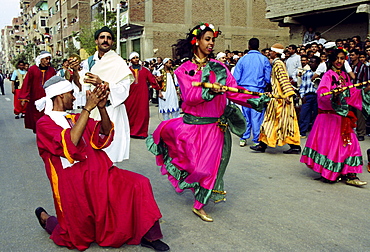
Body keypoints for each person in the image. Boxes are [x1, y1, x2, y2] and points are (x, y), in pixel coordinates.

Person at [34, 76, 169, 251]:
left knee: (139, 183)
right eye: (71, 94)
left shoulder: (75, 117)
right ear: (60, 96)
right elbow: (71, 142)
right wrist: (87, 108)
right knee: (75, 235)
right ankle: (47, 220)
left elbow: (103, 133)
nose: (74, 98)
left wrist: (102, 108)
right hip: (73, 182)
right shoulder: (44, 123)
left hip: (101, 171)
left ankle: (150, 236)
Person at [146, 23, 260, 222]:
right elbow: (190, 96)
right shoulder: (184, 70)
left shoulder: (220, 68)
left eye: (213, 40)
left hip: (215, 127)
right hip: (193, 126)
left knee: (210, 168)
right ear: (196, 41)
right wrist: (209, 90)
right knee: (194, 166)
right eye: (207, 39)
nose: (211, 43)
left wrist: (259, 99)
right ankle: (195, 189)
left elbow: (234, 91)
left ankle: (199, 204)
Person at [300, 49, 370, 186]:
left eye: (342, 58)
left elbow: (352, 93)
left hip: (343, 118)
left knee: (351, 144)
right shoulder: (328, 75)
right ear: (332, 60)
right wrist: (334, 95)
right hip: (329, 118)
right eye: (337, 58)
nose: (339, 61)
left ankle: (350, 174)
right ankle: (331, 173)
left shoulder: (345, 76)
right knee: (331, 146)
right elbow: (322, 95)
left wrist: (365, 90)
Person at [72, 26, 134, 162]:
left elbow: (124, 89)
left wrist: (103, 83)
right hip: (92, 111)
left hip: (112, 109)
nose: (105, 40)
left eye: (109, 38)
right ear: (96, 41)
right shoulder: (88, 62)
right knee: (92, 153)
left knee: (110, 154)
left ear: (112, 42)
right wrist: (76, 73)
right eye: (102, 37)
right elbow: (81, 84)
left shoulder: (118, 62)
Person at [250, 43, 301, 154]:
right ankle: (263, 145)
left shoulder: (277, 64)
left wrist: (287, 94)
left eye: (271, 52)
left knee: (276, 122)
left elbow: (283, 80)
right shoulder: (278, 63)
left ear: (275, 53)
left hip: (280, 99)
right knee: (281, 123)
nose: (269, 53)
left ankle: (263, 145)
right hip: (278, 97)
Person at [233, 37, 271, 146]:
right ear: (258, 46)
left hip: (244, 91)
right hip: (258, 91)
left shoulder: (242, 59)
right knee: (257, 116)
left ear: (249, 46)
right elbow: (267, 78)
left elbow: (236, 77)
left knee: (245, 115)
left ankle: (243, 138)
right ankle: (256, 140)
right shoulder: (264, 59)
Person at [19, 52, 56, 131]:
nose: (48, 61)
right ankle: (39, 132)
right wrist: (24, 97)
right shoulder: (32, 69)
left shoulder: (52, 71)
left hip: (48, 98)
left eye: (49, 59)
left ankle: (45, 132)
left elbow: (55, 84)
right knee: (35, 117)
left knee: (47, 116)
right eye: (46, 59)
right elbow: (27, 84)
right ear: (41, 59)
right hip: (34, 98)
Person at [125, 52, 158, 138]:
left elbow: (152, 80)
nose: (136, 59)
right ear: (130, 60)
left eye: (137, 57)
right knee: (130, 112)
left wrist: (158, 87)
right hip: (130, 95)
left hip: (142, 94)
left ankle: (142, 133)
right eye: (134, 58)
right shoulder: (126, 71)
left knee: (142, 113)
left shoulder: (145, 70)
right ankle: (131, 131)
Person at [298, 56, 320, 138]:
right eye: (310, 62)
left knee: (316, 115)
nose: (310, 64)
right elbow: (303, 85)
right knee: (304, 114)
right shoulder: (306, 74)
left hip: (317, 96)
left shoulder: (320, 74)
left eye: (312, 62)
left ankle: (315, 133)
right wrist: (302, 95)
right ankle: (302, 132)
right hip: (308, 95)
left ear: (317, 64)